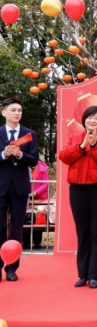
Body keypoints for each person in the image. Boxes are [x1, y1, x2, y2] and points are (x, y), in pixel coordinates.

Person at [58, 105, 97, 289]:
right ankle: (82, 274)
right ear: (84, 120)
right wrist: (82, 146)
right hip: (78, 189)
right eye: (90, 117)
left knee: (96, 231)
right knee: (82, 231)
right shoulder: (74, 137)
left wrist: (95, 145)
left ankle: (94, 275)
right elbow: (64, 157)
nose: (93, 121)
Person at [0, 98, 39, 281]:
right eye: (13, 110)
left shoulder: (29, 134)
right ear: (4, 112)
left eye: (20, 110)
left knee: (16, 228)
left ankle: (12, 268)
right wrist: (3, 154)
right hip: (0, 187)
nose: (17, 113)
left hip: (20, 188)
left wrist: (20, 154)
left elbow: (34, 160)